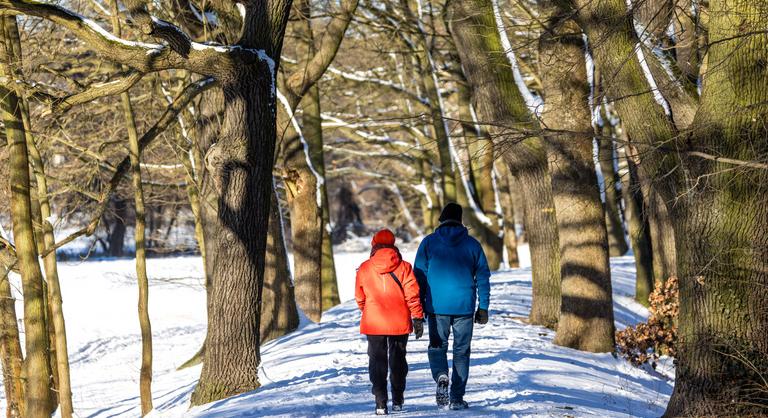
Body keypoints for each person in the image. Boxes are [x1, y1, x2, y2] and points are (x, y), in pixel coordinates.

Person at [414, 203, 491, 410]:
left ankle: (440, 374)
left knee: (437, 347)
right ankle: (457, 398)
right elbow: (483, 276)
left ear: (441, 220)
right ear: (460, 221)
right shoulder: (472, 244)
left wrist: (418, 309)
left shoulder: (428, 243)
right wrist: (483, 306)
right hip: (464, 307)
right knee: (461, 352)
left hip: (436, 307)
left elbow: (418, 277)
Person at [355, 229, 424, 415]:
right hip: (399, 322)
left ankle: (380, 402)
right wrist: (417, 317)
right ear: (393, 244)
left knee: (377, 361)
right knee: (398, 360)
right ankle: (398, 399)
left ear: (373, 244)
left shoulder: (364, 267)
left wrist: (368, 310)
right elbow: (413, 295)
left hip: (374, 322)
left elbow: (359, 297)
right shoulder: (405, 267)